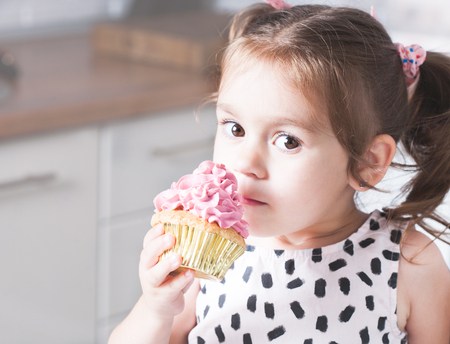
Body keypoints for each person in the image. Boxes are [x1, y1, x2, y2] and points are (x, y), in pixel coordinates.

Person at [108, 1, 450, 343]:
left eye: (287, 141)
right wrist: (155, 309)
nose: (246, 163)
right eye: (235, 129)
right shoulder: (204, 255)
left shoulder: (408, 263)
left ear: (367, 160)